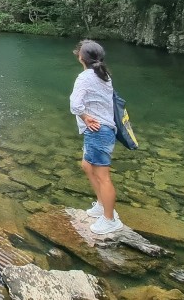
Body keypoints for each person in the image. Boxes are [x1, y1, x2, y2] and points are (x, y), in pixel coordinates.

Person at [69, 39, 124, 234]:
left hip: (97, 131)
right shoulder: (104, 75)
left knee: (103, 176)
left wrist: (84, 116)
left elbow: (75, 105)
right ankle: (102, 205)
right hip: (103, 130)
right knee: (86, 165)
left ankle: (110, 220)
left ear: (81, 57)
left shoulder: (85, 77)